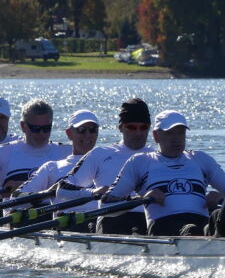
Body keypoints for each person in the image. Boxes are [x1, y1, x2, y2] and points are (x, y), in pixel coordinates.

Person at [101, 110, 225, 236]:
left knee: (219, 216)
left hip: (201, 226)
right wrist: (141, 199)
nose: (176, 139)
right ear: (156, 136)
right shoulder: (141, 162)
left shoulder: (200, 159)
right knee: (192, 229)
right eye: (170, 133)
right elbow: (106, 205)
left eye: (180, 133)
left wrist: (222, 198)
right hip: (163, 227)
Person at [55, 98, 155, 235]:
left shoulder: (157, 157)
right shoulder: (100, 155)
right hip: (112, 219)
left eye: (143, 127)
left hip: (147, 220)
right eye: (132, 127)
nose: (138, 133)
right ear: (120, 127)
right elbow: (62, 189)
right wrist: (92, 193)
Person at [0, 98, 70, 197]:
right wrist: (2, 192)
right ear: (23, 126)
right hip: (16, 213)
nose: (41, 133)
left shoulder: (67, 152)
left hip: (57, 213)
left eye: (46, 128)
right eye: (35, 128)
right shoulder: (2, 152)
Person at [16, 109, 101, 196]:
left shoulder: (106, 164)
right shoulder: (51, 168)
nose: (87, 135)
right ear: (69, 133)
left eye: (93, 130)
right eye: (81, 130)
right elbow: (16, 196)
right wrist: (48, 193)